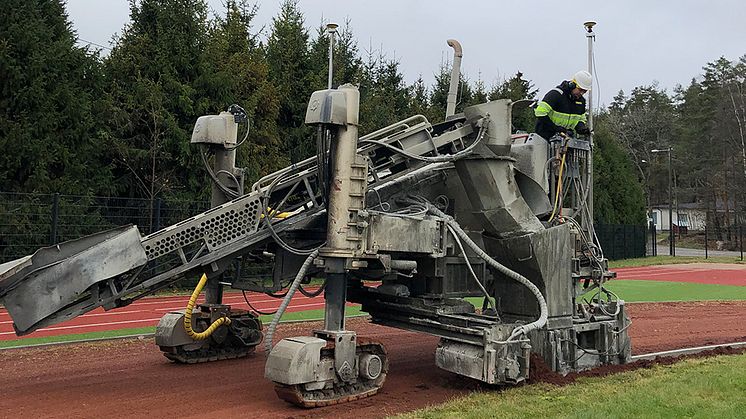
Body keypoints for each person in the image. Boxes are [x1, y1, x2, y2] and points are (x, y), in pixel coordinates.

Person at [534, 70, 592, 140]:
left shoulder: (581, 102)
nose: (582, 93)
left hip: (564, 140)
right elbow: (540, 113)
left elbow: (581, 119)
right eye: (580, 90)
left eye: (584, 91)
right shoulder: (556, 95)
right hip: (544, 138)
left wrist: (581, 128)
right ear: (572, 85)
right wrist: (556, 128)